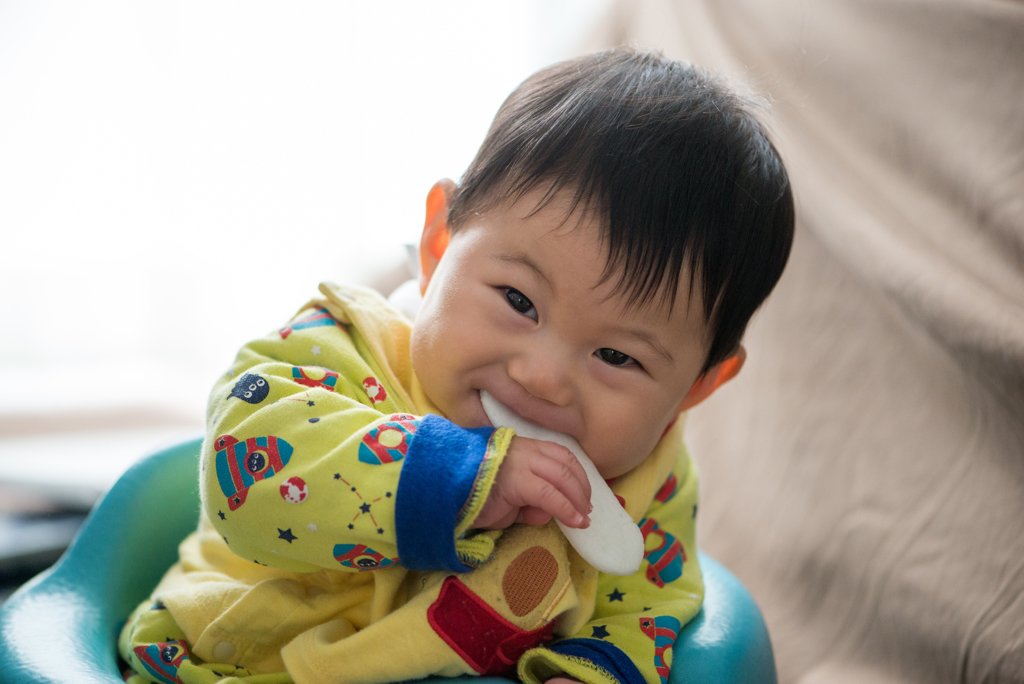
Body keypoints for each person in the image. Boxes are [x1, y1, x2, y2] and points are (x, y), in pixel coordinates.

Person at [118, 47, 794, 684]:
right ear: (440, 242)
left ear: (696, 388)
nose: (542, 377)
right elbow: (246, 480)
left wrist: (593, 669)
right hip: (233, 662)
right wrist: (460, 481)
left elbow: (647, 605)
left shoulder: (648, 478)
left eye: (616, 356)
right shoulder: (337, 349)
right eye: (518, 301)